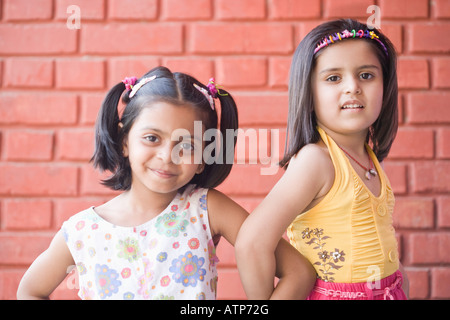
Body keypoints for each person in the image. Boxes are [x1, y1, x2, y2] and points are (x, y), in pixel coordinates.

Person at [17, 66, 313, 300]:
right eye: (152, 138)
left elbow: (298, 272)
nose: (167, 156)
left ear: (203, 157)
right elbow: (30, 290)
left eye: (187, 145)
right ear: (124, 141)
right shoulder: (82, 231)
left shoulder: (206, 208)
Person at [235, 19, 409, 300]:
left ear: (385, 86)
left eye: (366, 75)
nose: (352, 87)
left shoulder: (368, 158)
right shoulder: (316, 161)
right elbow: (252, 243)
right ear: (309, 92)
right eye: (333, 78)